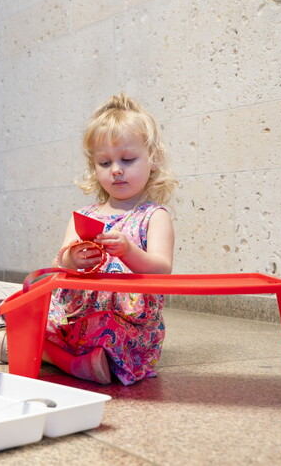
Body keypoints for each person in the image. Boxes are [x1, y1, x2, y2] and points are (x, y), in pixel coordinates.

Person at [45, 94, 177, 385]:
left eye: (127, 160)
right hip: (76, 315)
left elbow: (161, 269)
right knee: (32, 316)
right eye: (104, 162)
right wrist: (73, 259)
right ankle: (75, 359)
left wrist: (129, 251)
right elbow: (61, 260)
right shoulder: (84, 215)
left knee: (105, 327)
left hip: (128, 324)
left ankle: (64, 359)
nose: (116, 169)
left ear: (153, 159)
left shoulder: (154, 216)